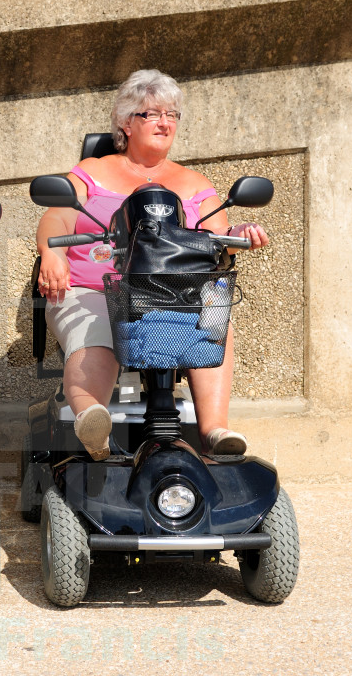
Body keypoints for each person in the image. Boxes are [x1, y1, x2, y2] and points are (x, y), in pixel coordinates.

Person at [35, 69, 269, 460]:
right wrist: (52, 253)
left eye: (172, 115)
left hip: (175, 295)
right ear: (126, 122)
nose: (164, 122)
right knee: (100, 322)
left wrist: (240, 233)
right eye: (151, 114)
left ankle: (214, 430)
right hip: (93, 288)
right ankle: (93, 420)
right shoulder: (93, 172)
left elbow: (218, 239)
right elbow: (56, 219)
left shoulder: (194, 183)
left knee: (216, 314)